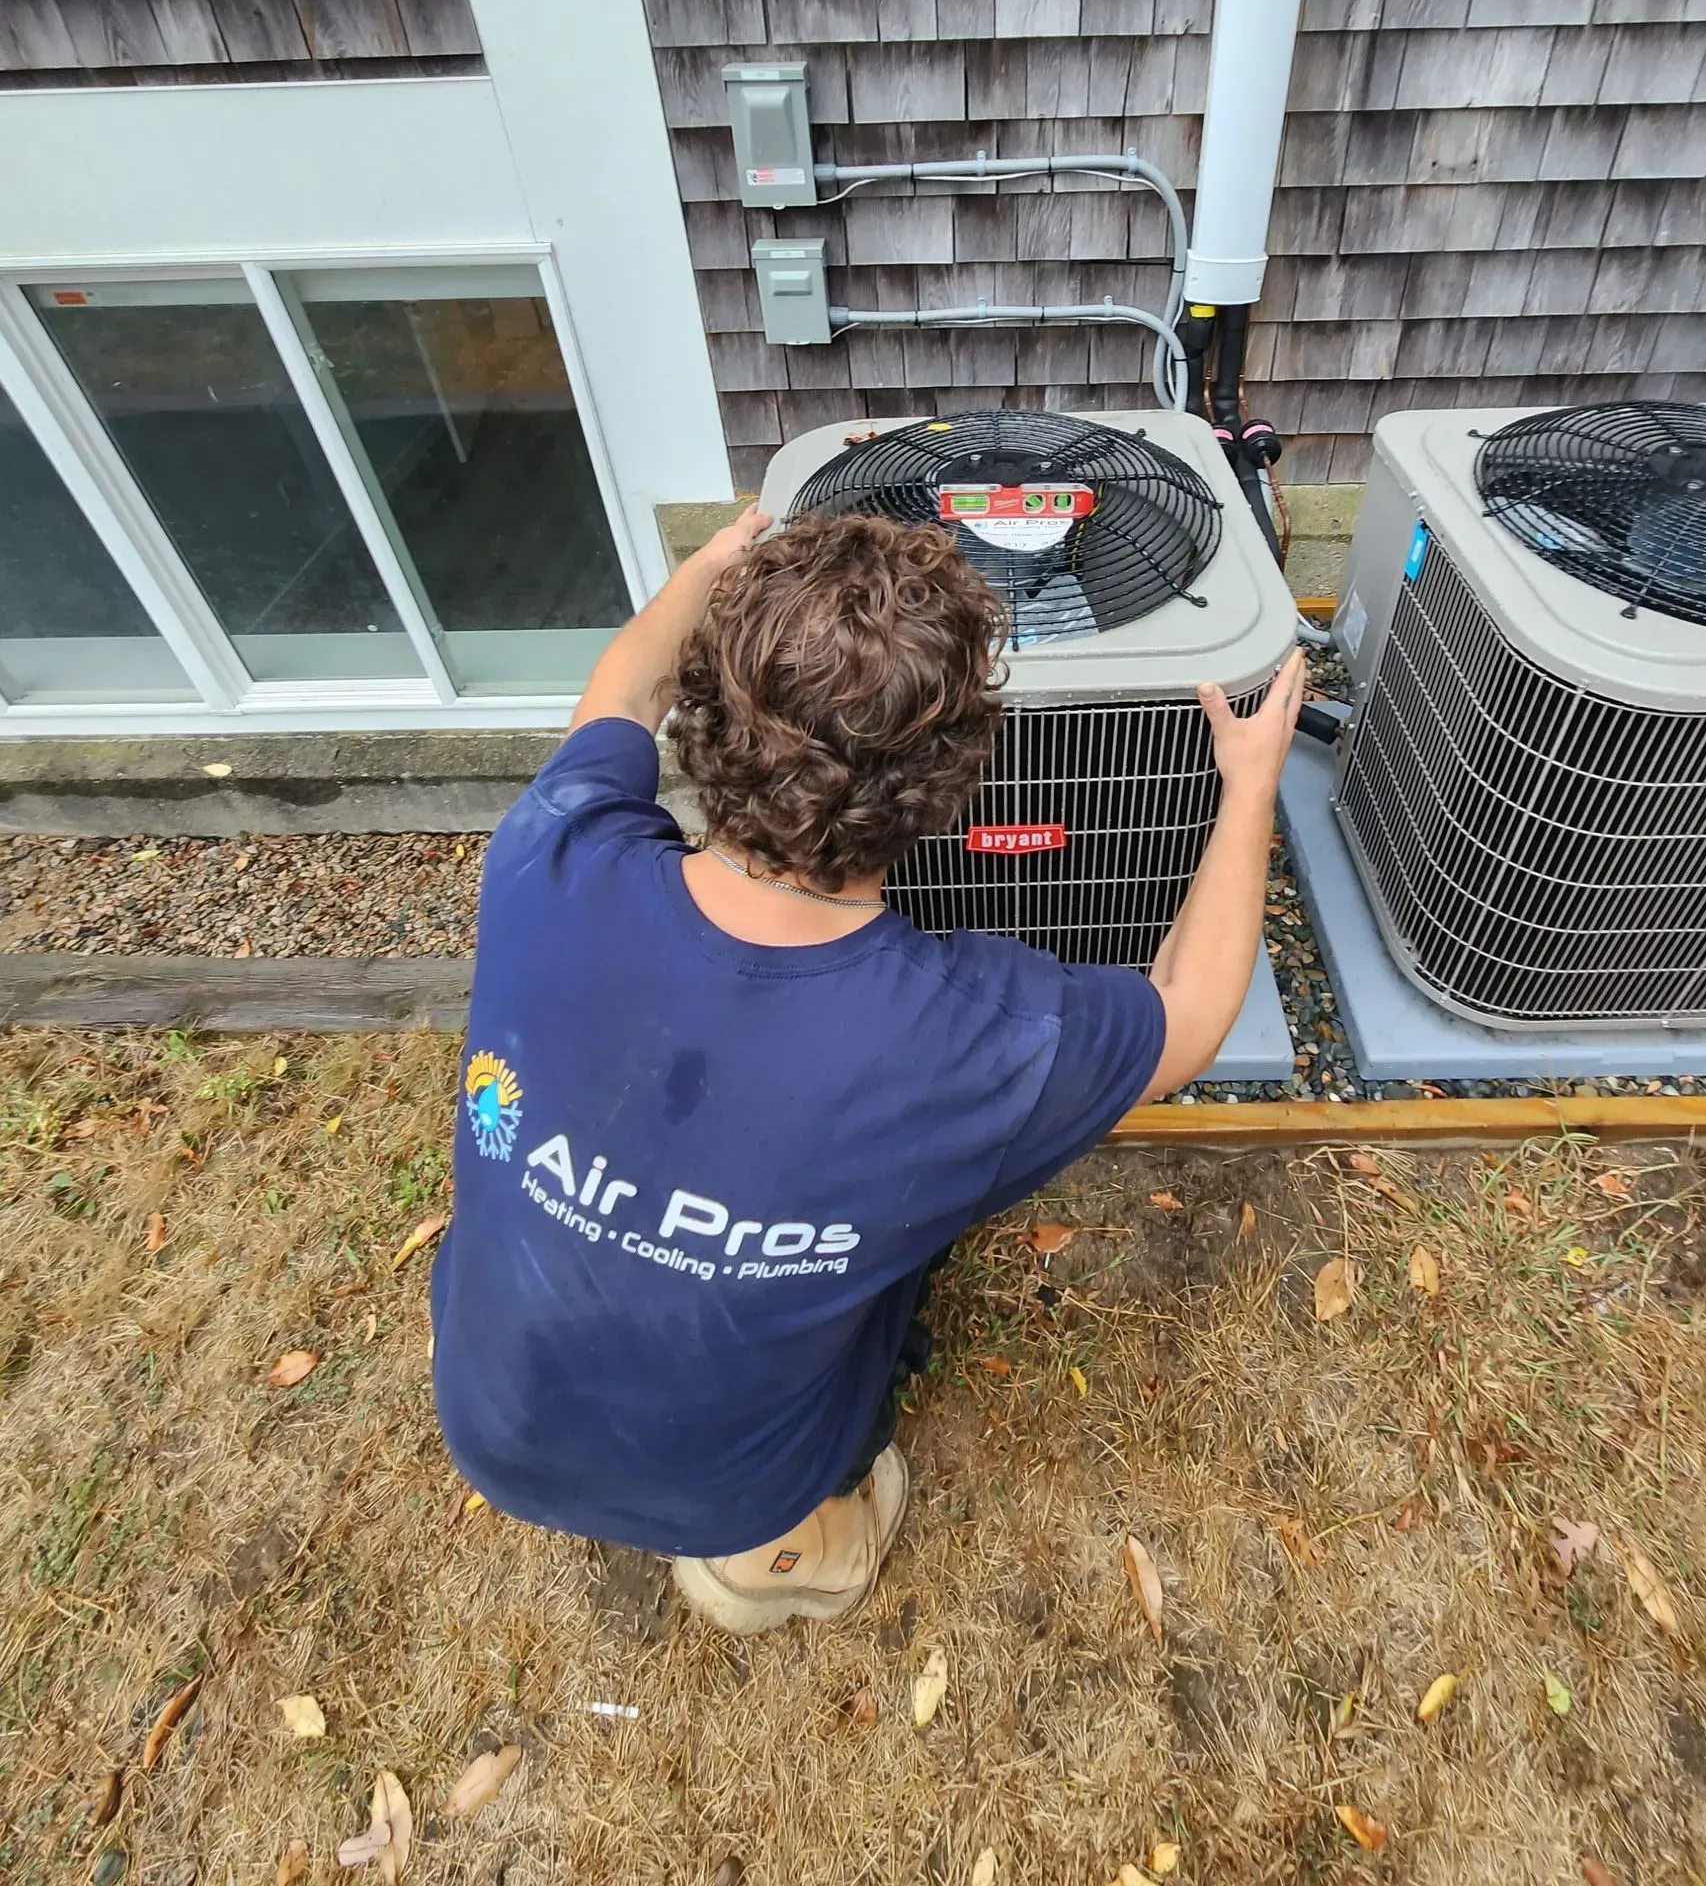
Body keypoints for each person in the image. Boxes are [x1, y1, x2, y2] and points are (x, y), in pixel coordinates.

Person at [431, 503, 1307, 1636]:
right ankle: (787, 1561)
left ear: (706, 716)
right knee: (891, 1282)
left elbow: (619, 686)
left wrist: (711, 563)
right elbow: (1188, 1017)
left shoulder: (550, 852)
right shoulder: (969, 1038)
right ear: (950, 782)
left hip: (494, 1421)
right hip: (731, 1487)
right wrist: (1249, 782)